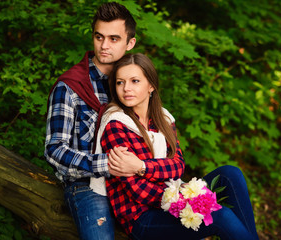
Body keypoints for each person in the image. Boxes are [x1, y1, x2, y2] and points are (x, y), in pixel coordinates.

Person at [95, 53, 259, 240]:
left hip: (171, 196)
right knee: (220, 216)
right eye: (120, 82)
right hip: (141, 217)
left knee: (230, 174)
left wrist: (142, 167)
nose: (126, 89)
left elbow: (178, 165)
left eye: (135, 81)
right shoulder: (115, 124)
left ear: (151, 86)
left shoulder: (163, 119)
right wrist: (184, 200)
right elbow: (135, 189)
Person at [45, 2, 143, 240]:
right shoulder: (70, 86)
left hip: (132, 181)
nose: (104, 46)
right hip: (86, 185)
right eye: (99, 37)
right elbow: (54, 149)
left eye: (113, 39)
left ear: (130, 43)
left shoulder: (133, 81)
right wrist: (108, 165)